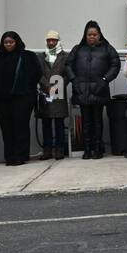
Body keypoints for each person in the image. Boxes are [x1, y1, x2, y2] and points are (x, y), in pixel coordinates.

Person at [65, 20, 120, 160]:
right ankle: (87, 150)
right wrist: (74, 80)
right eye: (89, 34)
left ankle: (97, 149)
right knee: (85, 122)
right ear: (85, 35)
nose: (92, 37)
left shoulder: (107, 48)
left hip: (99, 91)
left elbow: (115, 64)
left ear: (99, 35)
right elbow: (68, 65)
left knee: (97, 121)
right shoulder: (78, 49)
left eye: (95, 34)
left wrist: (104, 80)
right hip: (82, 91)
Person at [0, 30, 42, 166]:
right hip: (2, 100)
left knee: (21, 126)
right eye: (5, 42)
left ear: (17, 42)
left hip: (22, 98)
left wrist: (26, 87)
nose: (8, 45)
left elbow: (37, 73)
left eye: (11, 42)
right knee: (6, 129)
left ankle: (21, 155)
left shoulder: (27, 56)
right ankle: (10, 156)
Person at [37, 30, 70, 160]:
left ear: (58, 41)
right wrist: (46, 85)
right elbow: (38, 73)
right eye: (49, 40)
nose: (51, 43)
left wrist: (58, 85)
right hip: (45, 92)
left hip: (59, 92)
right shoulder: (41, 56)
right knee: (46, 123)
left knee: (59, 122)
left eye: (54, 40)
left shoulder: (64, 57)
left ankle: (59, 150)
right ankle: (47, 150)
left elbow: (68, 74)